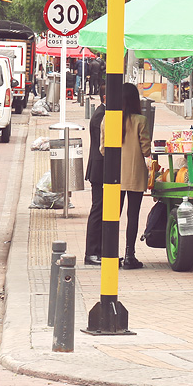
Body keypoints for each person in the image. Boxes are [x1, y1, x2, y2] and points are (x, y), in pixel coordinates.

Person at [108, 82, 152, 269]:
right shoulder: (140, 121)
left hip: (113, 175)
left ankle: (111, 254)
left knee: (113, 215)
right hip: (135, 174)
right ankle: (129, 255)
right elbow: (146, 149)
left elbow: (103, 149)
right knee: (132, 215)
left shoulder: (109, 120)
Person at [83, 85, 107, 265]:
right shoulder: (100, 115)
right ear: (106, 97)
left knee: (101, 210)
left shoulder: (102, 113)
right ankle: (91, 252)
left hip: (101, 168)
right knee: (97, 210)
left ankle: (99, 251)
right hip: (100, 169)